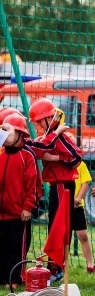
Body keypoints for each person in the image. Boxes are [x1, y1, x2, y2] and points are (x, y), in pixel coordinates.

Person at [26, 98, 82, 239]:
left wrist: (56, 158)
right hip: (56, 185)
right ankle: (55, 259)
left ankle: (58, 260)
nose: (38, 125)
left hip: (63, 186)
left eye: (39, 121)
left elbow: (77, 156)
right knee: (55, 221)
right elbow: (40, 148)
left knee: (59, 222)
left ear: (50, 117)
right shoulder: (49, 135)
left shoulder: (58, 136)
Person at [0, 114, 40, 287]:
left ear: (19, 134)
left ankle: (15, 277)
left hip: (18, 213)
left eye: (7, 131)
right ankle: (2, 277)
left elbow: (32, 185)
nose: (3, 135)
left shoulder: (27, 156)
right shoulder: (1, 154)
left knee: (16, 247)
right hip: (1, 212)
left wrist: (28, 207)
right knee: (1, 246)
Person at [72, 159, 95, 273]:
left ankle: (90, 265)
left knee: (83, 235)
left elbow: (85, 182)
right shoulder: (60, 165)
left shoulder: (80, 164)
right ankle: (59, 265)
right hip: (62, 205)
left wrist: (78, 198)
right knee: (63, 237)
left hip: (77, 206)